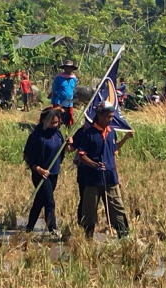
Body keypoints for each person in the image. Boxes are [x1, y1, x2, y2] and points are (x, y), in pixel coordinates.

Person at [70, 102, 131, 238]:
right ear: (99, 115)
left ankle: (124, 235)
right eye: (108, 117)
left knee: (117, 207)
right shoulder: (88, 133)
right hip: (92, 179)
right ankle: (88, 237)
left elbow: (113, 155)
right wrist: (94, 164)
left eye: (112, 117)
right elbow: (82, 155)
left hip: (110, 178)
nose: (110, 120)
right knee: (90, 210)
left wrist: (117, 176)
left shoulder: (111, 133)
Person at [23, 107, 66, 235]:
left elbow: (61, 151)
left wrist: (68, 144)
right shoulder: (36, 136)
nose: (54, 125)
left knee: (40, 201)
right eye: (51, 122)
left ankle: (29, 228)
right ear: (43, 120)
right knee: (49, 202)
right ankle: (53, 229)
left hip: (54, 173)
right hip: (40, 174)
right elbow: (27, 156)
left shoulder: (58, 133)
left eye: (56, 122)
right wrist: (39, 169)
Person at [51, 60, 78, 126]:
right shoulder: (59, 77)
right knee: (58, 116)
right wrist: (53, 100)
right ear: (64, 68)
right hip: (59, 101)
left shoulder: (74, 78)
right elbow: (54, 89)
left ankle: (67, 130)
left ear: (72, 69)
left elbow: (73, 89)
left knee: (69, 116)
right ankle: (57, 128)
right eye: (66, 67)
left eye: (70, 67)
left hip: (69, 101)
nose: (68, 69)